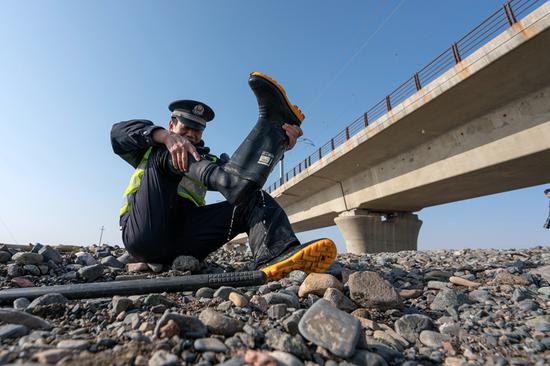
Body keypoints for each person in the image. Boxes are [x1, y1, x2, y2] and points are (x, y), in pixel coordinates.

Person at [111, 72, 336, 279]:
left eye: (197, 129)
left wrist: (278, 144)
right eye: (185, 127)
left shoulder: (205, 159)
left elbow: (244, 175)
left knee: (252, 196)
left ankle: (276, 254)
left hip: (184, 240)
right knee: (167, 153)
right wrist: (164, 137)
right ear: (172, 124)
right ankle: (267, 126)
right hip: (145, 234)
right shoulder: (153, 147)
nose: (191, 134)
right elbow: (118, 133)